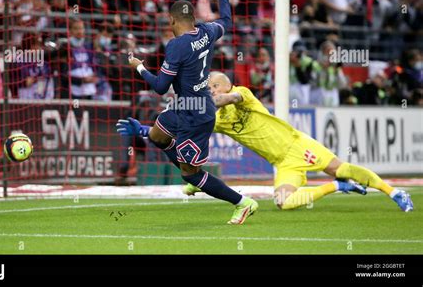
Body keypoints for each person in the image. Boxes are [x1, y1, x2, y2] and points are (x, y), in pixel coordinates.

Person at [120, 72, 414, 213]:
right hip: (282, 163)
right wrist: (146, 131)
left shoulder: (242, 94)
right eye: (206, 86)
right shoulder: (215, 118)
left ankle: (392, 191)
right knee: (282, 203)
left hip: (297, 145)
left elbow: (229, 98)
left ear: (224, 85)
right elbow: (180, 128)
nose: (209, 89)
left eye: (212, 85)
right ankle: (338, 188)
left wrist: (210, 99)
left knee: (340, 167)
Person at [122, 0, 258, 225]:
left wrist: (140, 68)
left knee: (191, 177)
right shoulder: (207, 31)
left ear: (172, 20)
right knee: (156, 135)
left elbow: (161, 87)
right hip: (185, 107)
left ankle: (242, 202)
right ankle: (191, 170)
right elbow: (227, 20)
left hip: (196, 116)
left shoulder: (176, 46)